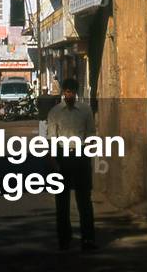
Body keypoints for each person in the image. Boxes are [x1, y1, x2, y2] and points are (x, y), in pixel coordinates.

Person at [46, 77, 96, 253]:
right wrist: (53, 161)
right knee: (62, 201)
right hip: (62, 156)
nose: (69, 95)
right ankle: (64, 238)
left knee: (84, 200)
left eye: (72, 92)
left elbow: (91, 134)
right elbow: (51, 138)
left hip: (80, 155)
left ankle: (88, 238)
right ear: (63, 93)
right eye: (66, 92)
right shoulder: (55, 112)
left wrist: (89, 155)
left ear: (76, 93)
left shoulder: (85, 110)